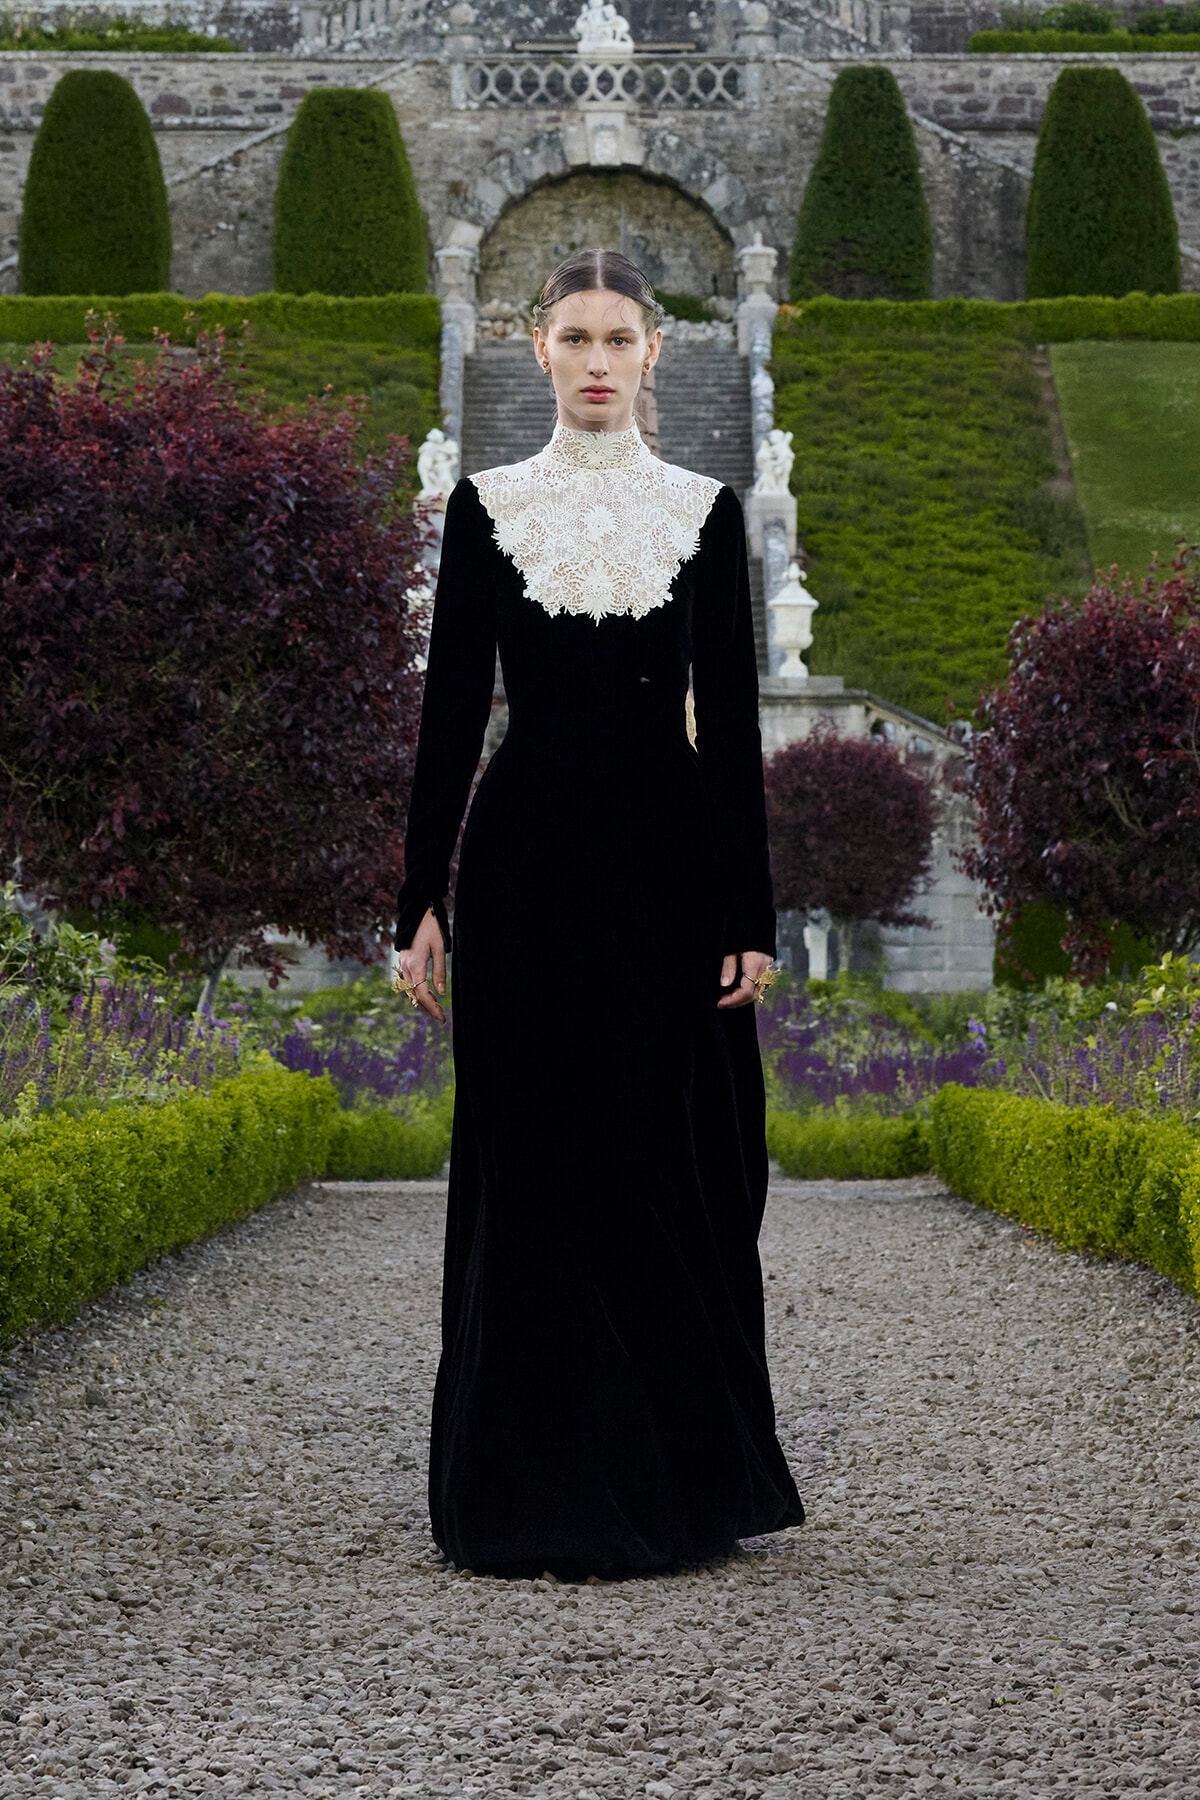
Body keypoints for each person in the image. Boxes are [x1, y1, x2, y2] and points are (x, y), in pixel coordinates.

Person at [393, 247, 804, 1577]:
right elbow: (453, 711)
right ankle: (523, 1488)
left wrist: (752, 911)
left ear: (652, 354)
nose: (594, 360)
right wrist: (417, 900)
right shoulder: (485, 506)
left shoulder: (704, 509)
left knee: (661, 1154)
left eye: (617, 338)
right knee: (533, 1154)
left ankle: (675, 1477)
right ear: (534, 350)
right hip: (521, 871)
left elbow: (733, 729)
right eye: (572, 338)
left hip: (666, 871)